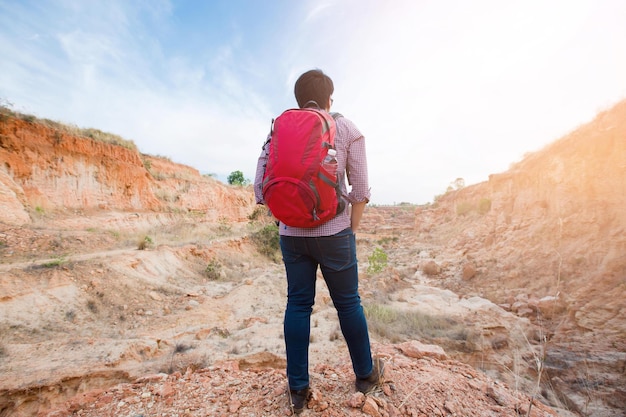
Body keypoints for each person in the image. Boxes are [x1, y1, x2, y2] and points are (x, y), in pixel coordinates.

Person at [254, 69, 384, 414]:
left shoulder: (277, 131)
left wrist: (287, 220)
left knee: (297, 304)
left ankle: (298, 389)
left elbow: (259, 188)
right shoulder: (346, 128)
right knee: (348, 304)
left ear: (298, 100)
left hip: (290, 236)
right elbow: (361, 190)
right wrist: (350, 229)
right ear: (330, 98)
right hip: (335, 231)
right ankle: (366, 375)